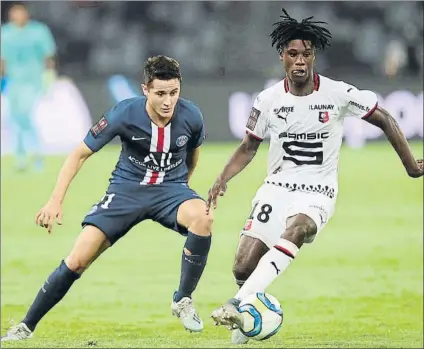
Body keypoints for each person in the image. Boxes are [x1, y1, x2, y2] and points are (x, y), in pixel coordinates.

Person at [207, 9, 424, 345]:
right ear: (282, 56)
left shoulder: (337, 93)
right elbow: (249, 146)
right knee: (241, 267)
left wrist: (411, 165)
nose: (300, 61)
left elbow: (383, 118)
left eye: (306, 54)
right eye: (293, 54)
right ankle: (247, 312)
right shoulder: (267, 100)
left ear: (314, 55)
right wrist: (222, 178)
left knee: (299, 227)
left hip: (318, 190)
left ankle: (238, 304)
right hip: (276, 188)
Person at [1, 55, 213, 342]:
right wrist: (55, 201)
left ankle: (183, 299)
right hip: (126, 191)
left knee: (204, 216)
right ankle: (25, 326)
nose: (168, 101)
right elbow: (79, 154)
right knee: (77, 260)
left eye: (174, 93)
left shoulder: (192, 116)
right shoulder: (124, 114)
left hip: (171, 191)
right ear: (145, 90)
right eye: (160, 93)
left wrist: (182, 189)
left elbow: (193, 156)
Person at [1, 2, 57, 171]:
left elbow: (48, 57)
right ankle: (21, 158)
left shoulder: (38, 31)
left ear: (26, 14)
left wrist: (49, 78)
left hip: (32, 80)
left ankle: (37, 153)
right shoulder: (5, 33)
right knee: (14, 117)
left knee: (24, 114)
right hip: (13, 81)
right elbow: (2, 60)